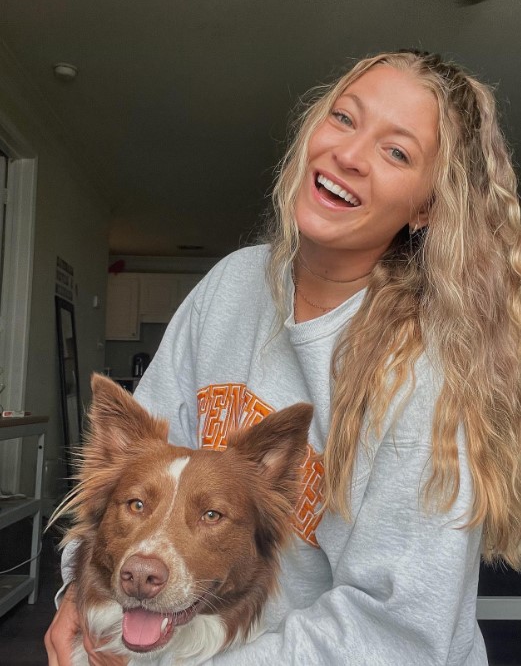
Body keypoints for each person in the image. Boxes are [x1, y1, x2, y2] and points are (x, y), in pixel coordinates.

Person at [45, 49, 521, 665]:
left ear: (428, 207)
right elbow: (129, 485)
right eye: (345, 119)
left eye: (396, 151)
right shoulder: (231, 284)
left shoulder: (426, 369)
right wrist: (77, 592)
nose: (349, 155)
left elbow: (397, 632)